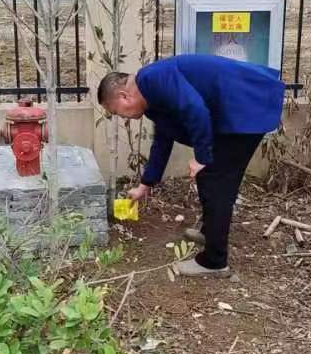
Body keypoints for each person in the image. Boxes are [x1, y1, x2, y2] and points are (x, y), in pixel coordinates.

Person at [98, 54, 285, 277]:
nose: (121, 117)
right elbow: (163, 139)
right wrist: (145, 184)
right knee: (211, 178)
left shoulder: (152, 79)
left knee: (216, 182)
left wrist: (201, 158)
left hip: (247, 106)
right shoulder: (150, 95)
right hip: (238, 110)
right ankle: (210, 234)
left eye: (116, 111)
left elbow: (195, 109)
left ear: (123, 95)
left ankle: (214, 262)